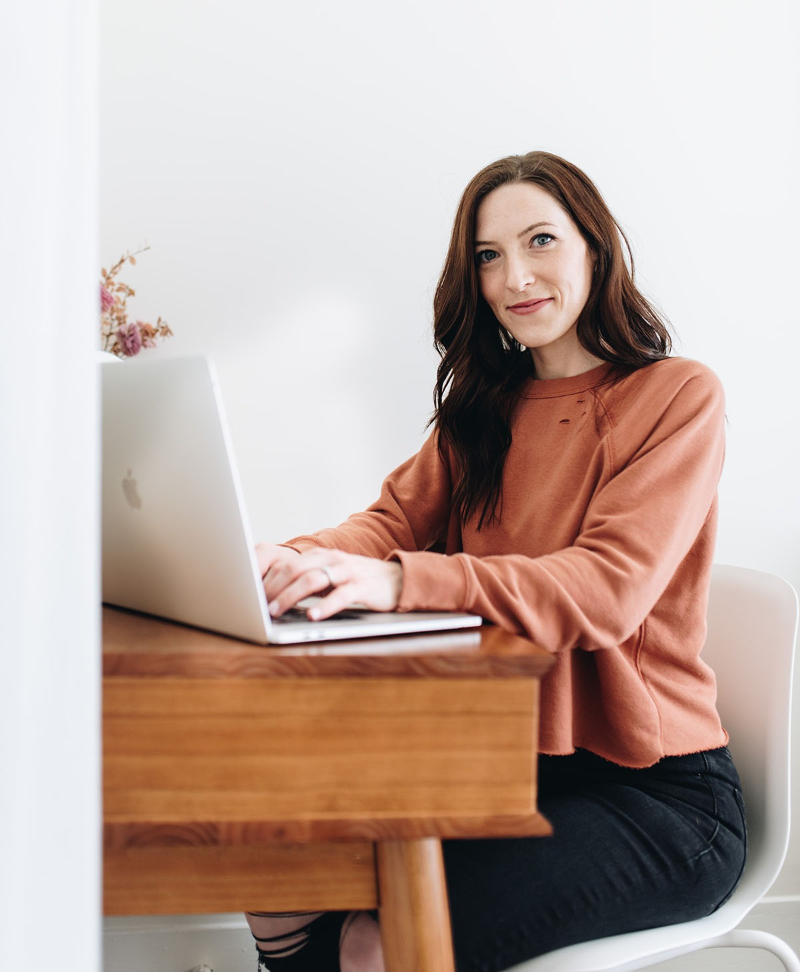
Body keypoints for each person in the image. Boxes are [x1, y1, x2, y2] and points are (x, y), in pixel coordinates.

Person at [244, 151, 746, 972]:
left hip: (659, 798)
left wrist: (407, 580)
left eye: (540, 240)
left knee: (377, 940)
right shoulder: (483, 413)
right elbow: (387, 524)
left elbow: (607, 589)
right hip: (503, 764)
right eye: (488, 255)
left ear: (595, 247)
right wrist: (282, 559)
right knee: (273, 863)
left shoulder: (677, 395)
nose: (516, 274)